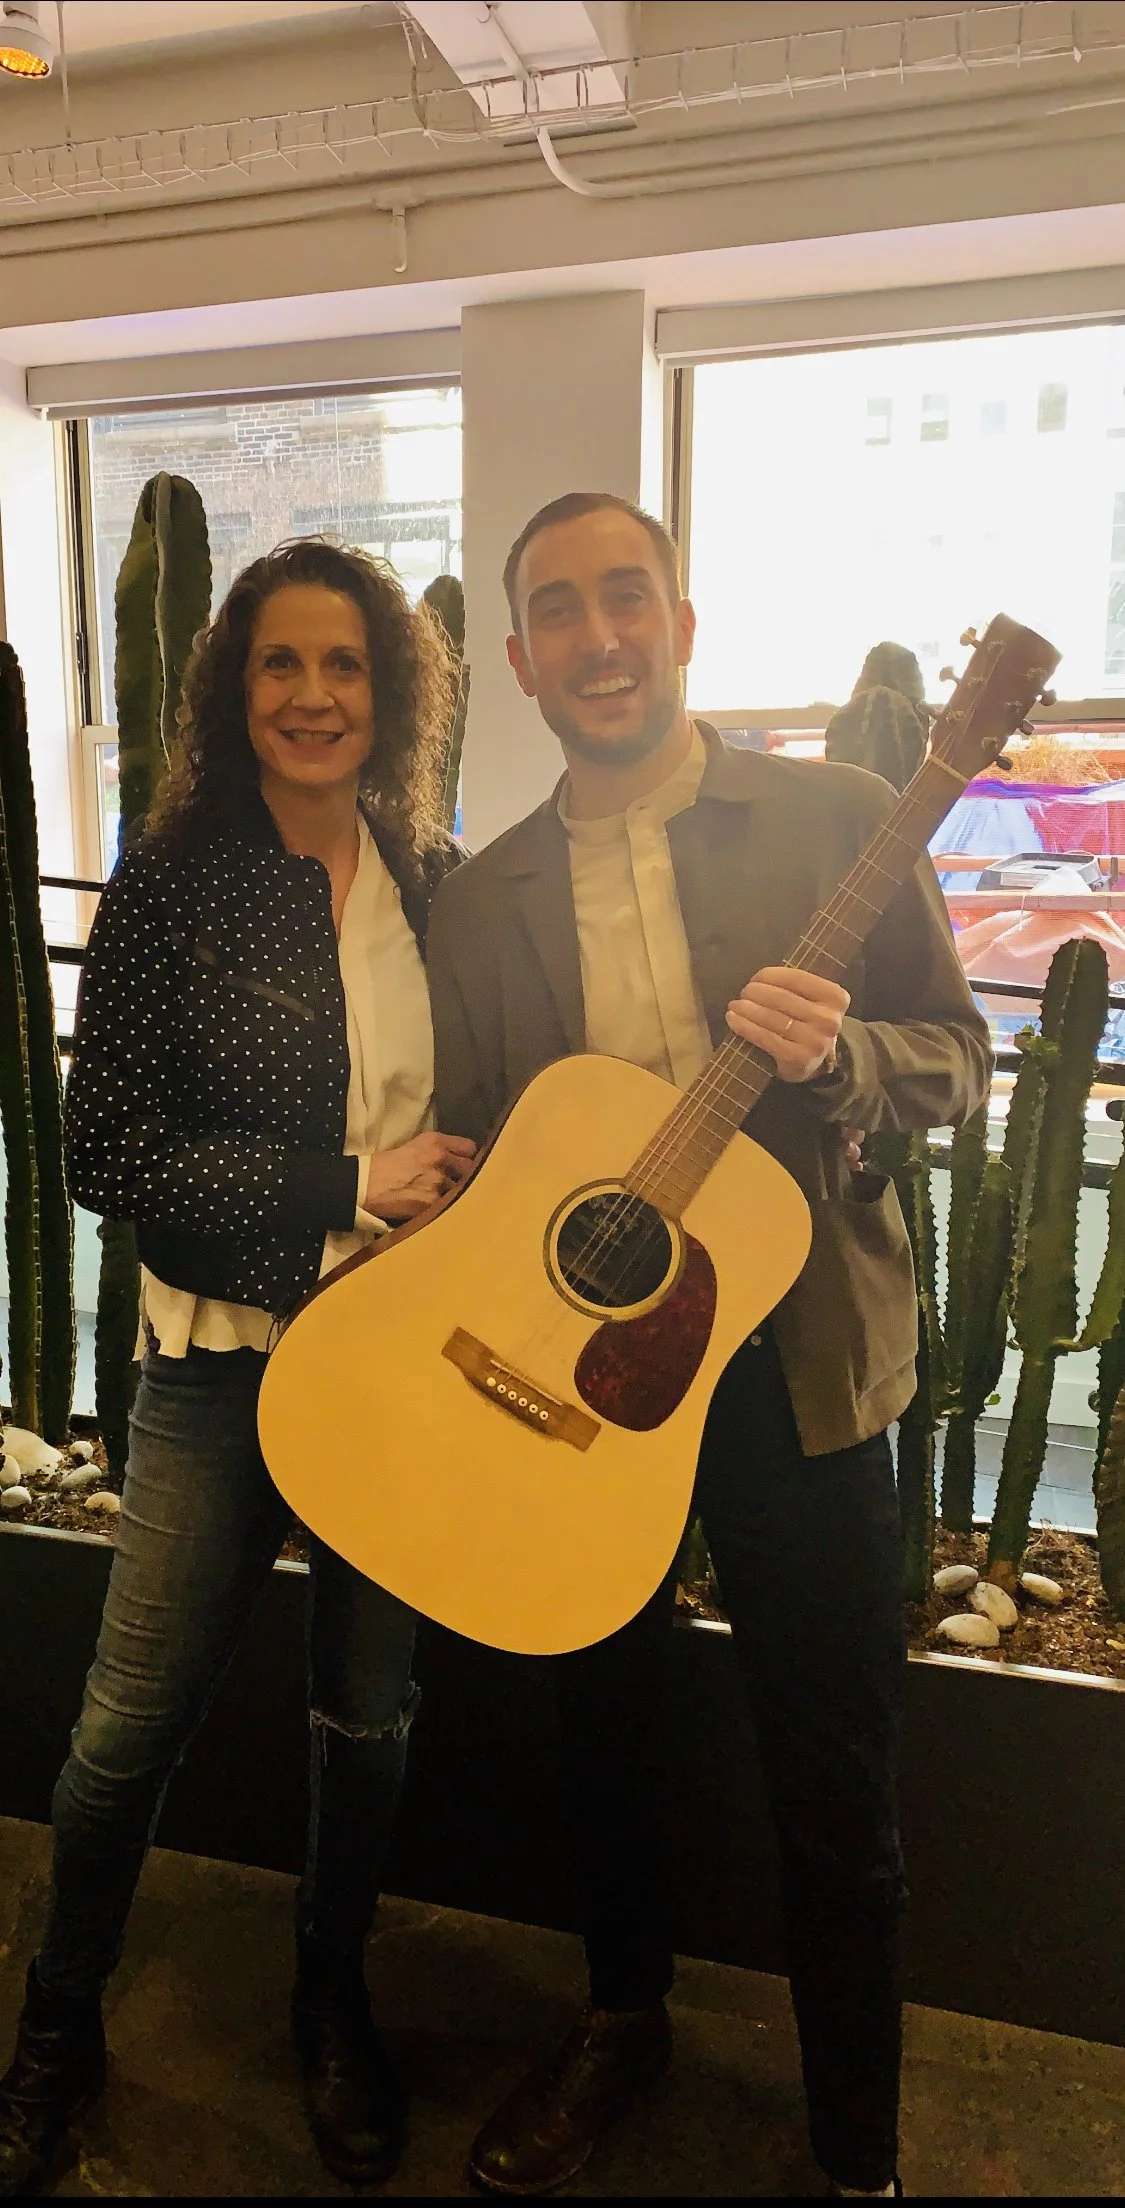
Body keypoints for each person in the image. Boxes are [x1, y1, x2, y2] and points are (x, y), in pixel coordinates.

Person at [426, 490, 992, 2199]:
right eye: (560, 612)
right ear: (518, 660)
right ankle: (622, 2020)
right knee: (599, 1733)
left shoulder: (845, 818)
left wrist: (844, 1068)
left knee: (830, 1757)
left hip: (801, 1361)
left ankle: (856, 2141)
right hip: (589, 1373)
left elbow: (957, 1056)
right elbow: (479, 1140)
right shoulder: (485, 895)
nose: (600, 636)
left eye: (629, 597)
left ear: (683, 621)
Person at [0, 538, 474, 2199]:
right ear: (231, 687)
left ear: (390, 692)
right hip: (222, 1367)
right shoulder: (172, 883)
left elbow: (482, 1114)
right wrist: (342, 1190)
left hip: (403, 1376)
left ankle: (330, 2000)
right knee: (125, 1730)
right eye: (281, 664)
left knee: (370, 1717)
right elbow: (104, 1146)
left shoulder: (435, 875)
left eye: (347, 665)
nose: (315, 696)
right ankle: (56, 2029)